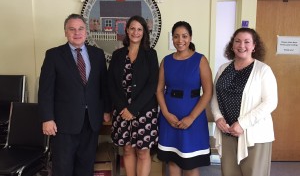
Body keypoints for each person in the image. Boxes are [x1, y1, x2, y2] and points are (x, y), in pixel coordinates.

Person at [38, 13, 111, 176]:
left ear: (86, 32)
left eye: (80, 29)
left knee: (86, 165)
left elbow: (103, 85)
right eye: (72, 29)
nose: (77, 33)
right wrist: (47, 118)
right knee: (63, 167)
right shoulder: (53, 55)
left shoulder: (97, 54)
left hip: (91, 120)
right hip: (63, 123)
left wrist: (106, 110)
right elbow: (45, 90)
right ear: (65, 32)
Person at [210, 28, 278, 176]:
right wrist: (218, 117)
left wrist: (242, 123)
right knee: (229, 173)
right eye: (237, 41)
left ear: (254, 46)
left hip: (254, 135)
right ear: (232, 45)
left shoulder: (263, 70)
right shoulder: (223, 69)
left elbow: (270, 102)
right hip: (227, 132)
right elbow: (215, 97)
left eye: (247, 42)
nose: (242, 45)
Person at [156, 21, 213, 176]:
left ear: (190, 38)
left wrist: (191, 117)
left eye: (184, 36)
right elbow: (159, 90)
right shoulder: (166, 61)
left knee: (190, 162)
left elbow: (208, 92)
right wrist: (166, 114)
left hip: (193, 116)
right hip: (170, 116)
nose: (180, 40)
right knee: (173, 160)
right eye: (176, 36)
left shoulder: (200, 60)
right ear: (172, 39)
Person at [108, 15, 159, 176]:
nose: (135, 32)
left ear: (144, 32)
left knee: (143, 152)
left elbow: (152, 84)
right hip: (121, 110)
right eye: (132, 28)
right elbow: (111, 84)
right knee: (128, 150)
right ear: (126, 30)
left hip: (144, 110)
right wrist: (123, 107)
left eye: (139, 29)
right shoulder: (117, 55)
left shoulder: (150, 54)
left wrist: (133, 109)